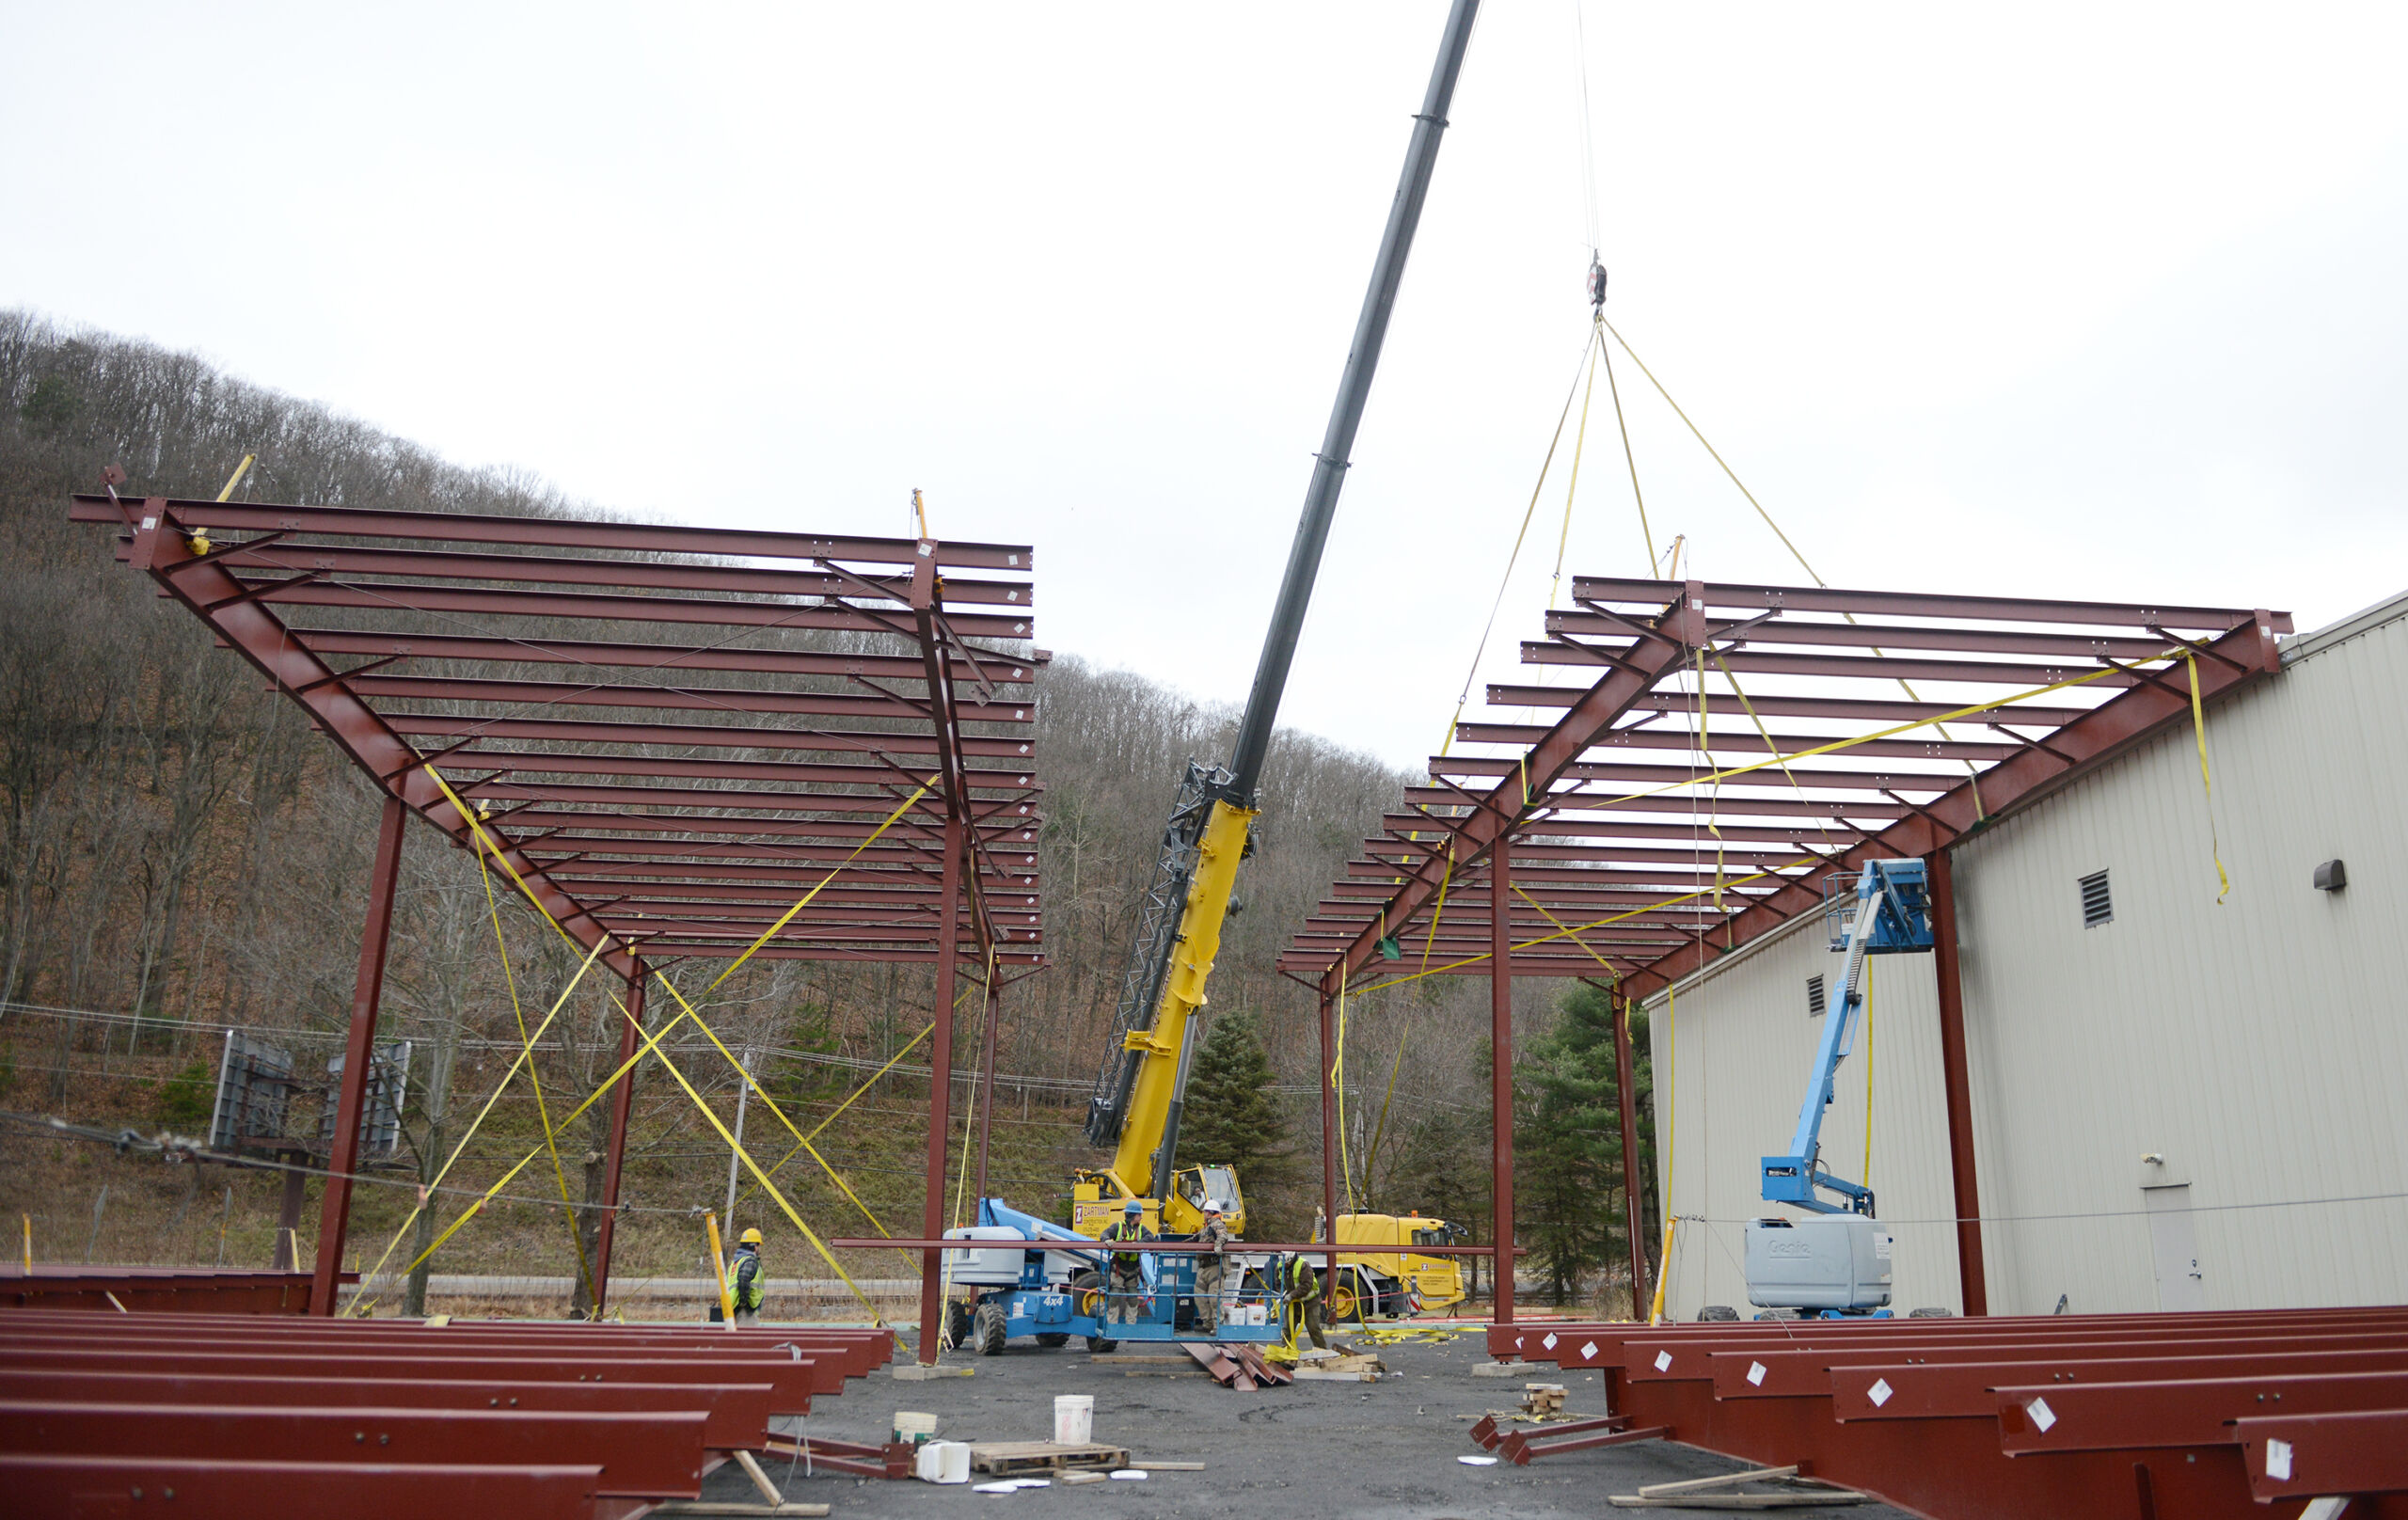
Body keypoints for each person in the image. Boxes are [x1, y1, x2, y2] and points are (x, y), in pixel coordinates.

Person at [1100, 1199, 1153, 1326]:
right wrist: (1107, 1240)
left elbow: (1150, 1237)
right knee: (1114, 1296)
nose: (1141, 1217)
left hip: (1132, 1270)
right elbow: (1104, 1234)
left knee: (1133, 1298)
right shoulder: (1118, 1227)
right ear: (1133, 1215)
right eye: (1139, 1215)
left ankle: (1131, 1325)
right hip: (1118, 1269)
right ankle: (1112, 1324)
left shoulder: (1141, 1229)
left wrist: (1138, 1244)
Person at [1193, 1199, 1233, 1332]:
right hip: (1203, 1266)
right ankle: (1208, 1323)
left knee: (1215, 1298)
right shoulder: (1206, 1228)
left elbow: (1223, 1236)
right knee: (1199, 1296)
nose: (1203, 1213)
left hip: (1214, 1266)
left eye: (1205, 1211)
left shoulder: (1217, 1224)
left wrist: (1218, 1246)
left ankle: (1218, 1326)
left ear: (1209, 1212)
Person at [1280, 1249, 1329, 1353]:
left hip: (1310, 1303)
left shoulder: (1303, 1266)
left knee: (1313, 1329)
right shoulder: (1280, 1267)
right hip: (1293, 1304)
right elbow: (1278, 1283)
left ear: (1292, 1260)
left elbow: (1306, 1286)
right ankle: (1284, 1355)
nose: (1286, 1265)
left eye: (1287, 1263)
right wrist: (1283, 1295)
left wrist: (1291, 1295)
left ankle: (1322, 1353)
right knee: (1287, 1330)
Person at [725, 1227, 767, 1326]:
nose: (759, 1249)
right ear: (754, 1246)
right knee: (748, 1340)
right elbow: (743, 1280)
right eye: (758, 1245)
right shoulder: (750, 1261)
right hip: (745, 1312)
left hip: (734, 1308)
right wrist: (744, 1302)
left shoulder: (736, 1261)